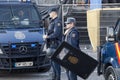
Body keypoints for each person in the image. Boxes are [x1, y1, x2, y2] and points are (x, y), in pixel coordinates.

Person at [43, 8, 62, 80]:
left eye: (50, 12)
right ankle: (54, 77)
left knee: (56, 63)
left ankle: (58, 78)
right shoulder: (52, 21)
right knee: (52, 63)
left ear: (54, 13)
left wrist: (47, 37)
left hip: (55, 45)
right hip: (51, 44)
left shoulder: (57, 22)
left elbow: (56, 34)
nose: (49, 14)